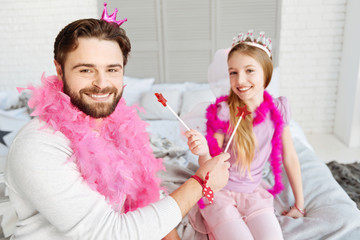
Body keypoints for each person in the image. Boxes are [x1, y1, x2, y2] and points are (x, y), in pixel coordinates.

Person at [4, 3, 230, 240]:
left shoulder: (117, 128)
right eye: (86, 70)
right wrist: (201, 182)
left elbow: (143, 198)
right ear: (60, 71)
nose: (102, 83)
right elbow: (110, 233)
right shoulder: (37, 146)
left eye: (112, 70)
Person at [185, 30, 305, 240]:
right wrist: (203, 150)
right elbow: (211, 163)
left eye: (250, 70)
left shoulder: (278, 109)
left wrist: (299, 205)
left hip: (253, 193)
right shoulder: (223, 112)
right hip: (219, 191)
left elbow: (290, 157)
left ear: (266, 74)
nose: (240, 80)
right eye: (233, 72)